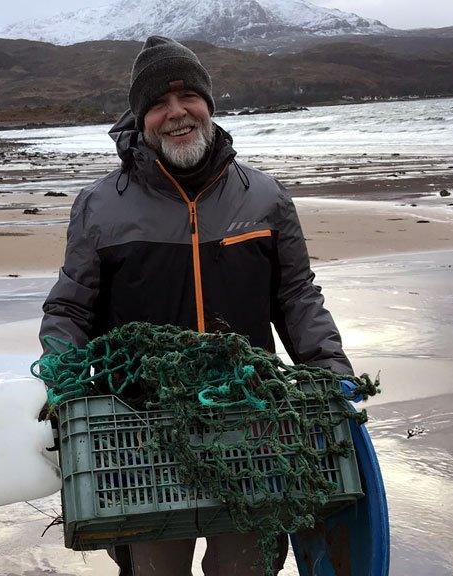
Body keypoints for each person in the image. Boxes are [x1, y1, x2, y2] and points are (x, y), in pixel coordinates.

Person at [39, 36, 353, 576]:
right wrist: (61, 378)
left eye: (188, 96)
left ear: (209, 103)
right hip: (139, 434)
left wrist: (331, 371)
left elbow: (297, 296)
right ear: (141, 119)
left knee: (246, 567)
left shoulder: (265, 197)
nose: (176, 113)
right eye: (158, 102)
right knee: (157, 567)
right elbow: (70, 310)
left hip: (251, 429)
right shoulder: (100, 207)